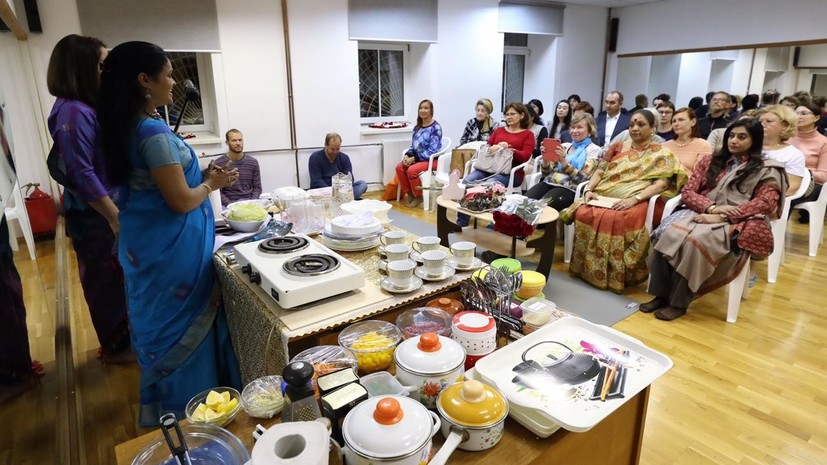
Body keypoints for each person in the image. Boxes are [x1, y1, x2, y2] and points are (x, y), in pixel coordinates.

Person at [98, 41, 242, 426]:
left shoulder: (125, 126)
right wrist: (211, 182)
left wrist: (201, 176)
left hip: (148, 248)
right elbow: (180, 200)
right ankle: (194, 418)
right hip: (172, 257)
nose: (174, 82)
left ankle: (175, 417)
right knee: (182, 330)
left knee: (159, 327)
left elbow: (157, 185)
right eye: (168, 74)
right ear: (145, 81)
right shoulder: (152, 133)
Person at [643, 119, 788, 321]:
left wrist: (723, 215)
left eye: (742, 137)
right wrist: (711, 208)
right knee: (668, 233)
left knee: (695, 242)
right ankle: (661, 295)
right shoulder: (711, 161)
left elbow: (765, 203)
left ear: (755, 140)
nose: (734, 141)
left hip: (738, 220)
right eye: (731, 136)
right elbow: (688, 192)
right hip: (702, 212)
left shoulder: (767, 169)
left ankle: (679, 302)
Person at [46, 34, 132, 363]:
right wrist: (114, 216)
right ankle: (117, 348)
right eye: (101, 65)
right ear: (81, 69)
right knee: (105, 278)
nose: (106, 72)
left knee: (116, 275)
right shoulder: (72, 112)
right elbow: (82, 172)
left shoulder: (83, 107)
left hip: (102, 207)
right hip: (94, 213)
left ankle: (124, 342)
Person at [561, 109, 686, 293]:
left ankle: (616, 277)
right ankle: (584, 270)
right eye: (632, 124)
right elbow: (600, 171)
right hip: (604, 194)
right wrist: (588, 190)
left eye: (641, 124)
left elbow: (661, 184)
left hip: (637, 198)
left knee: (620, 218)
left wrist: (633, 199)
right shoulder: (618, 147)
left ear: (653, 128)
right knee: (583, 211)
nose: (634, 128)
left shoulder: (662, 154)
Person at [456, 102, 535, 227]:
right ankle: (461, 222)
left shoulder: (528, 134)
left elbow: (526, 156)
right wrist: (492, 148)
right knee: (467, 182)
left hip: (511, 173)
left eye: (512, 114)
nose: (509, 117)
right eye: (507, 114)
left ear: (522, 115)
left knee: (490, 185)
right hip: (488, 167)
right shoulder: (499, 131)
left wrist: (508, 149)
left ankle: (493, 224)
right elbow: (487, 146)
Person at [526, 113, 602, 211]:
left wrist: (564, 162)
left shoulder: (594, 150)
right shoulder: (565, 146)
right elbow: (546, 174)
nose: (574, 131)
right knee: (524, 203)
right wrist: (546, 159)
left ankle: (538, 226)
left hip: (570, 189)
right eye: (573, 127)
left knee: (540, 208)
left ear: (590, 131)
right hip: (549, 183)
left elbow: (583, 179)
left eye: (579, 127)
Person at [395, 99, 443, 208]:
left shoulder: (436, 128)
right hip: (417, 159)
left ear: (431, 111)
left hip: (432, 160)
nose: (423, 110)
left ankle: (418, 196)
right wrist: (407, 155)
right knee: (399, 167)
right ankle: (410, 194)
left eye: (426, 108)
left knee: (412, 170)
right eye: (421, 108)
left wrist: (414, 159)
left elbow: (433, 150)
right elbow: (413, 146)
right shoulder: (417, 127)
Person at [788, 101, 827, 223]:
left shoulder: (823, 142)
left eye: (804, 113)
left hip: (810, 185)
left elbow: (823, 176)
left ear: (816, 117)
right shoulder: (786, 137)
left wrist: (799, 172)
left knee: (782, 197)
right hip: (783, 180)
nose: (799, 116)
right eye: (796, 113)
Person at [759, 105, 806, 195]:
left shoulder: (793, 154)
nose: (762, 124)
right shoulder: (747, 146)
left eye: (769, 121)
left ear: (785, 126)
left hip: (768, 200)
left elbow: (792, 187)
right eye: (760, 121)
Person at [309, 132, 367, 200]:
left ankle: (341, 199)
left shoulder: (344, 158)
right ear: (325, 145)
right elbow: (316, 181)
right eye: (332, 149)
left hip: (341, 190)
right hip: (323, 191)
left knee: (362, 184)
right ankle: (345, 199)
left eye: (338, 149)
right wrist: (332, 191)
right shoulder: (315, 158)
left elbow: (349, 178)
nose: (335, 152)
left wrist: (341, 189)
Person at [213, 129, 261, 206]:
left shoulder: (253, 162)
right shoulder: (218, 163)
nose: (238, 143)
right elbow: (217, 191)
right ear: (227, 143)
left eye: (240, 140)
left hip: (249, 203)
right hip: (228, 205)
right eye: (234, 140)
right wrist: (230, 205)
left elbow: (257, 188)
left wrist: (252, 203)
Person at [663, 107, 712, 173]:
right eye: (674, 121)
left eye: (681, 120)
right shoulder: (664, 146)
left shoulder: (703, 145)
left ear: (693, 122)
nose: (676, 124)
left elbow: (699, 175)